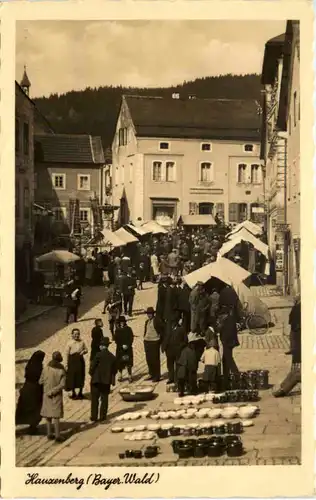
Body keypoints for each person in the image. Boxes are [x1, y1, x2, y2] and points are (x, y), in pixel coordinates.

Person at [273, 296, 301, 397]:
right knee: (295, 371)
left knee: (297, 373)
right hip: (298, 343)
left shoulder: (298, 309)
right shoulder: (299, 308)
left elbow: (292, 321)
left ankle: (282, 389)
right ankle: (282, 387)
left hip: (299, 343)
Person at [16, 350, 45, 435]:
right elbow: (40, 380)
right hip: (35, 390)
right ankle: (33, 427)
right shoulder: (39, 367)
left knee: (24, 407)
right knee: (36, 408)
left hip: (27, 387)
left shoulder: (29, 365)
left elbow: (26, 375)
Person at [39, 351, 66, 442]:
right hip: (56, 395)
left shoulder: (46, 368)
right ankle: (58, 435)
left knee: (48, 415)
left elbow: (40, 381)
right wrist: (53, 391)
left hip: (46, 394)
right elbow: (63, 385)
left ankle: (49, 433)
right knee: (56, 416)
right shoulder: (61, 370)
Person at [89, 337, 117, 422]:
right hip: (106, 381)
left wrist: (91, 374)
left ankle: (94, 416)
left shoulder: (98, 355)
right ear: (107, 346)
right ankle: (102, 416)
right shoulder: (112, 357)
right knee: (104, 399)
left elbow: (92, 367)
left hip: (96, 380)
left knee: (95, 399)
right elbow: (114, 370)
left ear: (101, 346)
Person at [217, 305, 240, 388]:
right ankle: (226, 376)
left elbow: (227, 333)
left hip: (228, 343)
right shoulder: (229, 319)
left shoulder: (227, 321)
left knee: (228, 358)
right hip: (229, 342)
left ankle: (236, 373)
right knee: (225, 359)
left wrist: (223, 340)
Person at [162, 317, 188, 384]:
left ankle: (177, 380)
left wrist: (180, 346)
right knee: (170, 365)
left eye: (174, 322)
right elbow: (165, 338)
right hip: (169, 351)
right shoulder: (168, 329)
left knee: (177, 366)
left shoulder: (181, 329)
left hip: (178, 351)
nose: (173, 324)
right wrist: (163, 347)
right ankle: (171, 378)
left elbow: (185, 341)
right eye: (172, 322)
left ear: (177, 323)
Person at [65, 328, 88, 400]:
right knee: (72, 376)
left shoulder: (82, 342)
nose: (76, 335)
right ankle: (73, 393)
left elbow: (86, 349)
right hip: (72, 361)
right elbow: (66, 354)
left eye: (78, 334)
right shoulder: (69, 343)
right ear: (72, 335)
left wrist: (84, 351)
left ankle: (80, 393)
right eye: (75, 334)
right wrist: (66, 364)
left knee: (81, 375)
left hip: (80, 360)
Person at [143, 307, 163, 382]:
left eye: (150, 314)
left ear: (153, 314)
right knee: (149, 359)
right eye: (148, 314)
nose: (149, 315)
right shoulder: (147, 321)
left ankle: (157, 376)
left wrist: (160, 339)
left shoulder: (157, 320)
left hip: (154, 341)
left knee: (155, 359)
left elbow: (162, 330)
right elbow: (146, 330)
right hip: (147, 341)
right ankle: (151, 374)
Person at [114, 316, 134, 382]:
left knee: (128, 363)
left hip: (128, 349)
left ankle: (130, 376)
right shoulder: (117, 330)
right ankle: (120, 376)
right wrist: (121, 345)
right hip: (120, 349)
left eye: (123, 322)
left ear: (125, 322)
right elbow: (116, 340)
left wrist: (127, 345)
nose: (122, 323)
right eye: (120, 322)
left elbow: (131, 338)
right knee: (120, 363)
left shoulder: (128, 329)